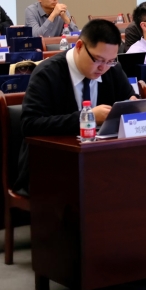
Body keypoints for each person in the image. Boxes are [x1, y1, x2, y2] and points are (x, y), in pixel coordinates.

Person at [15, 19, 137, 193]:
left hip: (99, 161)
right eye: (98, 60)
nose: (103, 68)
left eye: (110, 61)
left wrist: (133, 105)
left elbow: (130, 98)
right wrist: (86, 118)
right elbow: (30, 124)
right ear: (79, 46)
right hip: (50, 164)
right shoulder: (47, 73)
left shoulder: (113, 69)